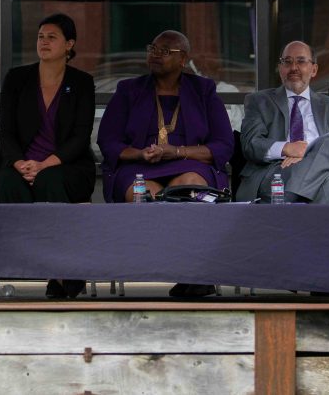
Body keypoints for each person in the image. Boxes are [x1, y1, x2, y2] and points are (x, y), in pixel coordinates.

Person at [97, 30, 234, 298]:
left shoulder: (203, 90)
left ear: (183, 59)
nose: (155, 55)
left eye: (165, 51)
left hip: (189, 165)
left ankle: (192, 273)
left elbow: (223, 145)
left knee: (190, 189)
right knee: (148, 196)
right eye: (152, 48)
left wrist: (179, 151)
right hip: (138, 167)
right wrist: (139, 154)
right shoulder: (129, 90)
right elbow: (108, 141)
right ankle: (186, 270)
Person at [0, 13, 96, 299]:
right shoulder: (17, 78)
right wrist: (20, 163)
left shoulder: (82, 82)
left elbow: (80, 137)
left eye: (52, 37)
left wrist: (45, 164)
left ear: (69, 44)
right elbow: (6, 132)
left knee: (50, 181)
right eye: (40, 36)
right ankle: (49, 265)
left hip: (67, 165)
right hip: (20, 164)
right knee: (8, 182)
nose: (44, 42)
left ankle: (60, 272)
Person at [236, 41, 329, 204]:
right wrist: (287, 148)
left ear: (314, 69)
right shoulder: (259, 101)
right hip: (275, 173)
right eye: (287, 62)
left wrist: (307, 153)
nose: (294, 67)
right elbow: (250, 144)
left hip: (296, 184)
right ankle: (317, 228)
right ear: (280, 69)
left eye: (301, 61)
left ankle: (290, 201)